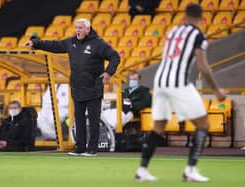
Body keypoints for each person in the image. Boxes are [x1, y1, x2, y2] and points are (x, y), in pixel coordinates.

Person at [135, 4, 227, 182]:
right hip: (178, 83)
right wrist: (217, 91)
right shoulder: (198, 35)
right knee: (203, 123)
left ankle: (142, 170)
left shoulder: (173, 31)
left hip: (160, 81)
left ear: (184, 16)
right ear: (201, 17)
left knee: (158, 127)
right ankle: (191, 170)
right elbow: (203, 67)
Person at [25, 18, 120, 156]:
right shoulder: (71, 42)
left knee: (94, 120)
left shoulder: (98, 44)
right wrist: (36, 43)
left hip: (93, 88)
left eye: (80, 28)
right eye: (76, 28)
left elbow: (115, 56)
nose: (77, 30)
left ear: (88, 29)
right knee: (79, 119)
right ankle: (80, 147)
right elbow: (54, 45)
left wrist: (108, 72)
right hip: (77, 87)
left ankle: (92, 149)